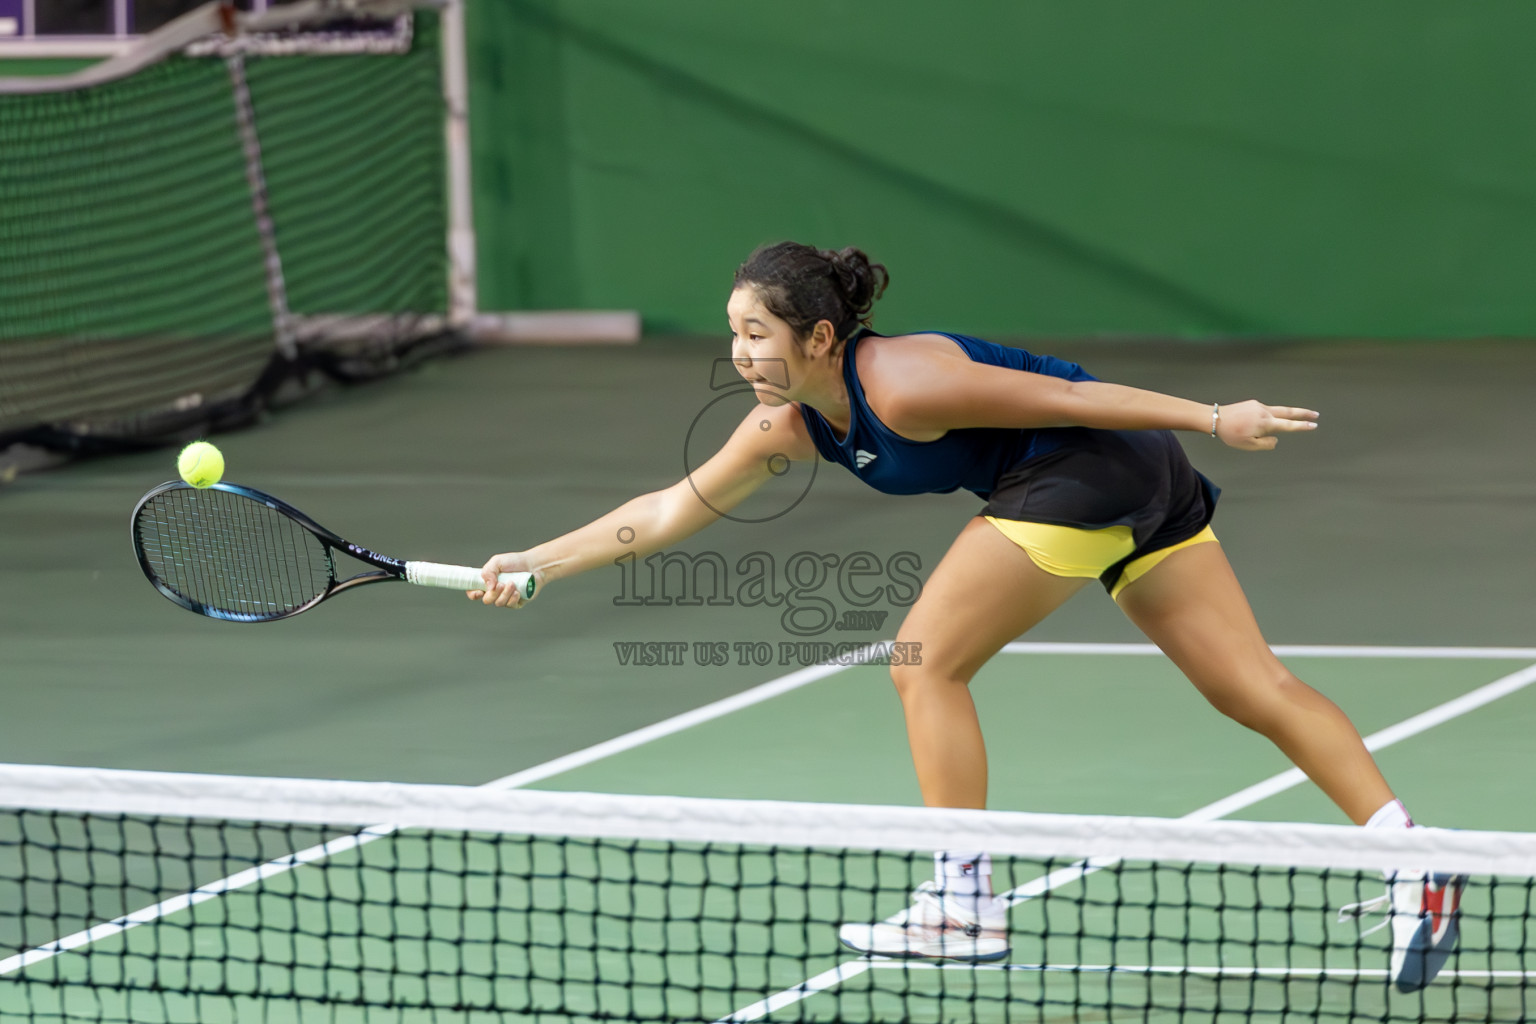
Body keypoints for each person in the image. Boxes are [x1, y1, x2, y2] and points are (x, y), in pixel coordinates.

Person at [470, 241, 1466, 993]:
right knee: (1252, 688)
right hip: (1135, 488)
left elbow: (1067, 393)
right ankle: (1417, 862)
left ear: (818, 337)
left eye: (756, 333)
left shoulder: (906, 378)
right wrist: (539, 562)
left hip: (1087, 470)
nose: (738, 352)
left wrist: (1214, 418)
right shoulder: (788, 425)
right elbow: (668, 509)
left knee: (923, 661)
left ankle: (963, 900)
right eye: (733, 332)